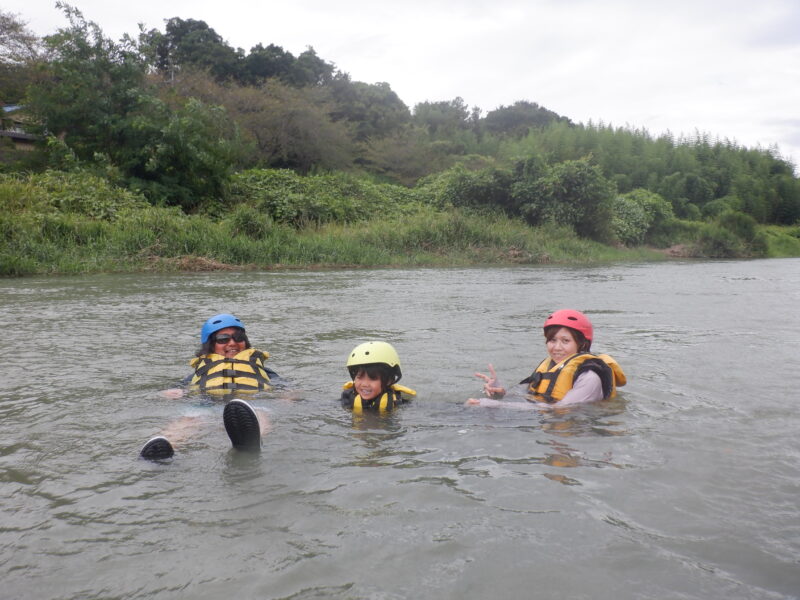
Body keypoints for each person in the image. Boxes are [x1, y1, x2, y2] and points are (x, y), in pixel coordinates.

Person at [140, 313, 274, 460]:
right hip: (208, 404)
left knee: (261, 415)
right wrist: (171, 392)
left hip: (251, 404)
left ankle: (252, 442)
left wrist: (289, 394)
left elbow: (284, 386)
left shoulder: (260, 369)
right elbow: (176, 388)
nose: (232, 343)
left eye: (238, 337)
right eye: (223, 339)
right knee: (190, 419)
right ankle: (165, 448)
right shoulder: (202, 371)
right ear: (211, 345)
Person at [468, 309, 626, 408]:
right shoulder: (550, 366)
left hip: (575, 432)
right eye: (552, 340)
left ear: (582, 344)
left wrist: (494, 406)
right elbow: (523, 395)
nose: (556, 347)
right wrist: (499, 392)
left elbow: (560, 410)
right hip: (545, 418)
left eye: (565, 341)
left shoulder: (590, 378)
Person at [340, 341, 416, 412]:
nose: (365, 384)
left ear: (389, 380)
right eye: (360, 377)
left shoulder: (400, 403)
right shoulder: (347, 399)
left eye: (372, 378)